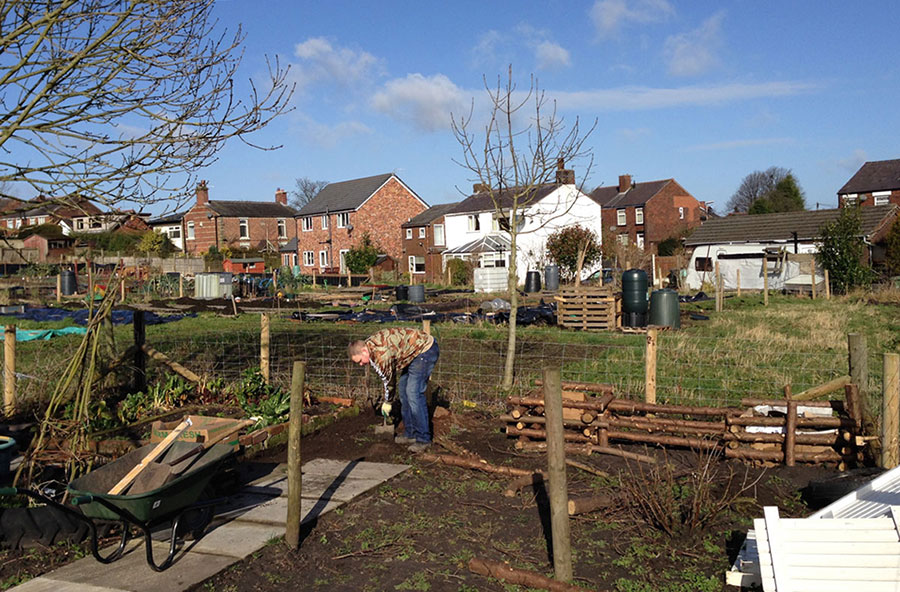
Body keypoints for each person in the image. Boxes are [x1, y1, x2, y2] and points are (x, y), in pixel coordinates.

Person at [348, 328, 439, 452]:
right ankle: (410, 433)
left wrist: (387, 402)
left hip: (425, 350)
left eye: (359, 361)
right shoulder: (369, 345)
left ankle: (423, 439)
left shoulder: (381, 354)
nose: (361, 364)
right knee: (403, 391)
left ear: (364, 351)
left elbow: (389, 382)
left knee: (413, 392)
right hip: (411, 353)